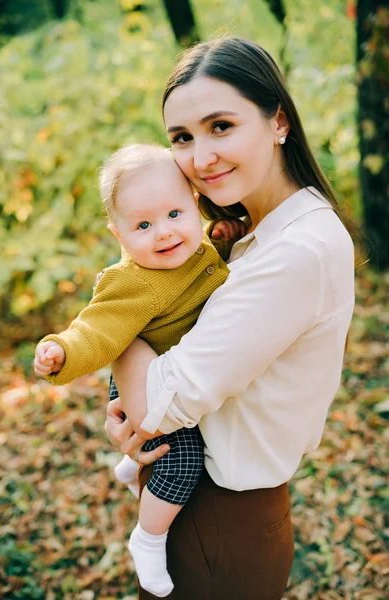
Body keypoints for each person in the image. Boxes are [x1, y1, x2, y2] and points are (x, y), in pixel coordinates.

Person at [105, 37, 355, 600]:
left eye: (221, 126)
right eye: (182, 138)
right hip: (202, 507)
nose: (200, 157)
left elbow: (161, 401)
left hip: (220, 521)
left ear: (278, 123)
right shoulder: (253, 236)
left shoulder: (297, 250)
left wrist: (117, 314)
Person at [33, 143, 243, 597]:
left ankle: (129, 472)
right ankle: (148, 539)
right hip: (146, 379)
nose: (164, 233)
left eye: (174, 214)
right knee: (183, 460)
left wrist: (223, 237)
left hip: (174, 369)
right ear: (119, 234)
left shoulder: (198, 247)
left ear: (194, 203)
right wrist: (62, 350)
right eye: (143, 225)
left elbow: (207, 272)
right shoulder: (133, 282)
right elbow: (96, 330)